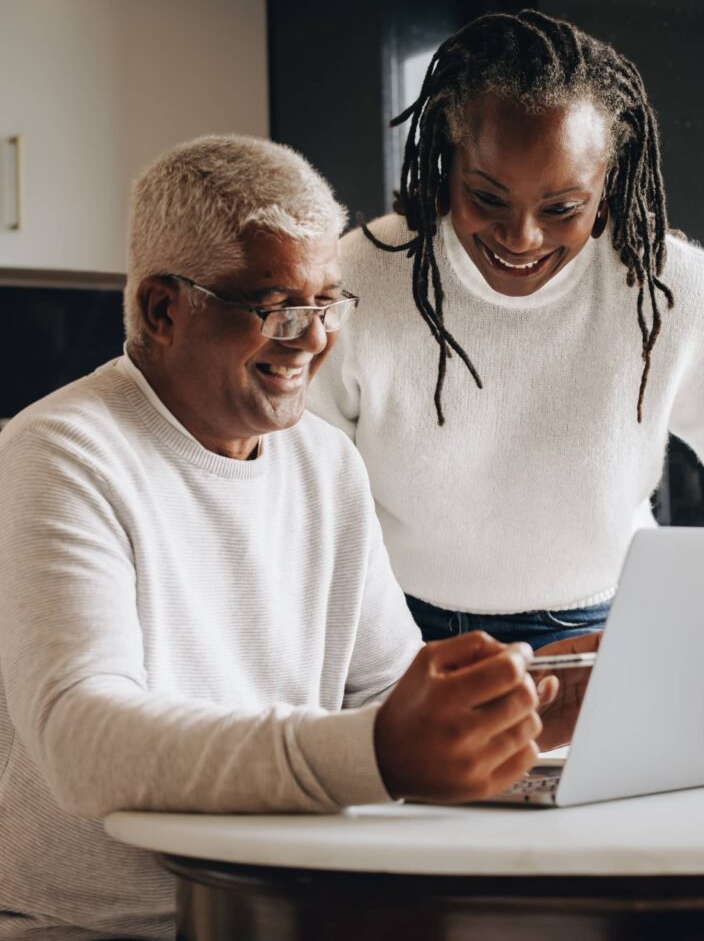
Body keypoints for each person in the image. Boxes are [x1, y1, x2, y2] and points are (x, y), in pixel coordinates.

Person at [0, 136, 543, 941]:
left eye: (327, 303)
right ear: (162, 308)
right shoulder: (60, 451)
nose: (315, 338)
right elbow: (84, 740)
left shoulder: (326, 463)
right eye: (277, 307)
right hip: (108, 925)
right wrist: (380, 754)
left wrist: (533, 703)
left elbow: (384, 696)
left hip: (291, 908)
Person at [309, 10, 704, 649]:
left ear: (606, 191)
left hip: (606, 628)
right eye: (489, 198)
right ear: (447, 163)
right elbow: (292, 490)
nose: (521, 237)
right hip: (398, 629)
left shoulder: (668, 293)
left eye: (561, 209)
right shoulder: (359, 279)